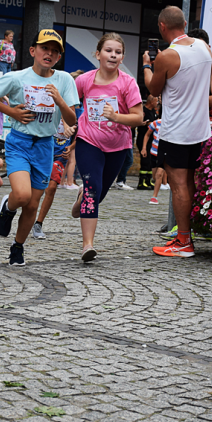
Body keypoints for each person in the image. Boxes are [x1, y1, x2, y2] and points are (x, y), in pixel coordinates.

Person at [0, 29, 79, 266]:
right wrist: (11, 111)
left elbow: (72, 119)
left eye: (55, 51)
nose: (49, 54)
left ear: (58, 58)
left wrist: (59, 100)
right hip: (20, 143)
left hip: (46, 146)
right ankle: (8, 207)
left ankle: (18, 247)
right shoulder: (17, 77)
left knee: (33, 204)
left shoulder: (65, 79)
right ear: (33, 51)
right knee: (22, 195)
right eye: (45, 48)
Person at [143, 6, 212, 258]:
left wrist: (147, 65)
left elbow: (153, 89)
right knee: (190, 183)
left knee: (179, 185)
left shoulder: (167, 57)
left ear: (162, 26)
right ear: (184, 22)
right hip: (200, 129)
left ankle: (184, 241)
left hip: (177, 131)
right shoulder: (205, 47)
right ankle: (186, 235)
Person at [69, 33, 143, 261]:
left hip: (118, 147)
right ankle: (87, 246)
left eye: (118, 52)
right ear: (98, 54)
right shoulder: (84, 81)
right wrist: (67, 123)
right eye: (108, 50)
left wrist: (117, 116)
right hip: (89, 141)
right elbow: (70, 104)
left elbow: (139, 117)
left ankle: (83, 195)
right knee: (93, 190)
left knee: (97, 193)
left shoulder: (127, 83)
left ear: (122, 58)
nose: (113, 55)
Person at [33, 70, 85, 240]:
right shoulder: (49, 100)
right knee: (34, 190)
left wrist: (72, 146)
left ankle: (38, 223)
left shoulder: (81, 110)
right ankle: (25, 215)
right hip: (42, 148)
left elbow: (81, 133)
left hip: (60, 154)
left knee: (52, 187)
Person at [142, 116, 169, 205]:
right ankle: (157, 188)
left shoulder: (173, 124)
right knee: (154, 176)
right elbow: (147, 134)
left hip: (165, 153)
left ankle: (154, 197)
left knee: (159, 174)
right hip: (154, 152)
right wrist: (144, 148)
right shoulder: (156, 123)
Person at [136, 95, 158, 190]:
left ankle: (148, 181)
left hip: (151, 139)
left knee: (149, 160)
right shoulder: (143, 111)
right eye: (156, 102)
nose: (157, 104)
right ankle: (142, 182)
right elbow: (148, 123)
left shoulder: (153, 111)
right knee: (145, 160)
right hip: (142, 137)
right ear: (151, 101)